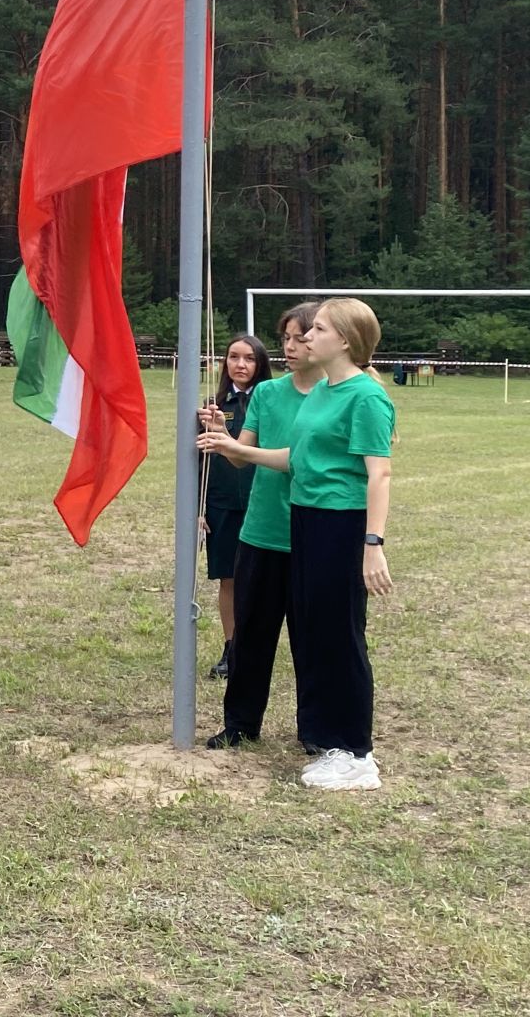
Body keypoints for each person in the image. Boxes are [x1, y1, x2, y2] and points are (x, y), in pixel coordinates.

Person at [199, 298, 395, 790]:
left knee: (337, 637)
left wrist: (372, 542)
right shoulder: (322, 393)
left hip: (339, 525)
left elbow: (380, 472)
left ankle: (353, 752)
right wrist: (233, 446)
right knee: (316, 633)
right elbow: (297, 457)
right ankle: (332, 744)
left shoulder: (365, 397)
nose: (303, 340)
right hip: (307, 521)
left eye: (316, 330)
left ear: (344, 339)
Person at [198, 303, 321, 750]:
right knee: (251, 635)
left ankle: (315, 732)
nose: (290, 346)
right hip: (261, 530)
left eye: (301, 338)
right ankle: (240, 724)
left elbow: (300, 462)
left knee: (311, 638)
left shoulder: (336, 394)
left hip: (312, 532)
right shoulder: (268, 396)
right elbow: (239, 454)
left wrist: (240, 450)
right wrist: (223, 437)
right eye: (285, 338)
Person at [200, 334, 271, 680]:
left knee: (261, 581)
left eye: (249, 359)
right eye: (233, 357)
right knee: (228, 578)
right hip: (222, 504)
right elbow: (197, 461)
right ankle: (232, 647)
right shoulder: (211, 406)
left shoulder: (271, 402)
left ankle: (256, 646)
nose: (240, 365)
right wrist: (197, 509)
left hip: (262, 503)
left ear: (260, 365)